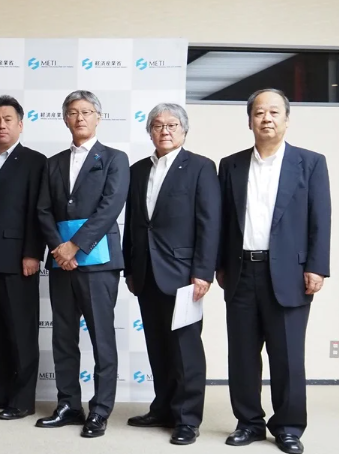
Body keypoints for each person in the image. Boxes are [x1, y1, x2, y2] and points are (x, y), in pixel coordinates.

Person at [217, 89, 330, 454]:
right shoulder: (230, 165)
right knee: (242, 355)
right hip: (241, 272)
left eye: (274, 112)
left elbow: (321, 219)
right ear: (250, 120)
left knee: (288, 357)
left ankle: (288, 427)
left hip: (290, 275)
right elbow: (222, 221)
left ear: (287, 119)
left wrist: (317, 267)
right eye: (259, 113)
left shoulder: (310, 163)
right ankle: (248, 422)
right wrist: (219, 264)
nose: (266, 118)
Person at [122, 103, 220, 446]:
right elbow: (133, 223)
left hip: (184, 274)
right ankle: (162, 408)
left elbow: (209, 223)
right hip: (146, 273)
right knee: (158, 345)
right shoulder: (137, 170)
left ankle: (187, 419)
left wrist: (203, 272)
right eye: (158, 125)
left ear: (184, 130)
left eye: (172, 125)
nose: (164, 130)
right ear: (149, 131)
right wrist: (129, 267)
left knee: (185, 349)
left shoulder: (201, 167)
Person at [35, 90, 129, 438]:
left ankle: (100, 410)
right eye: (73, 112)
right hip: (61, 262)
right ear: (65, 119)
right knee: (63, 337)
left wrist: (75, 246)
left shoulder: (115, 158)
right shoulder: (53, 162)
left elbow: (110, 207)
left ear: (98, 117)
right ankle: (68, 405)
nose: (80, 118)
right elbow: (43, 209)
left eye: (87, 112)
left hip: (98, 263)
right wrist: (59, 249)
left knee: (102, 338)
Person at [0, 95, 45, 420]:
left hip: (17, 260)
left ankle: (22, 400)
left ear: (20, 124)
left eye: (7, 119)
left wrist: (32, 253)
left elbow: (38, 211)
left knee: (21, 332)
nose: (1, 125)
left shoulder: (35, 161)